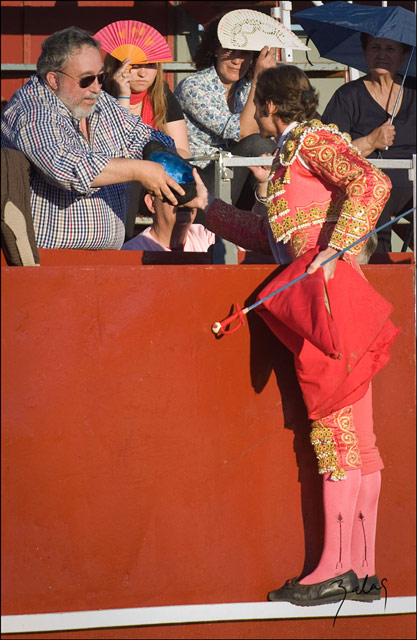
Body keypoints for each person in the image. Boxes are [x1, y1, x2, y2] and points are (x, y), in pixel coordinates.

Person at [201, 64, 398, 606]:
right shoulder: (293, 154)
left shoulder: (312, 139)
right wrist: (206, 207)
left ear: (268, 105)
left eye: (254, 105)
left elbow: (373, 180)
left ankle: (338, 567)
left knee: (338, 435)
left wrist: (337, 249)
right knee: (358, 437)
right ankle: (359, 569)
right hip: (330, 298)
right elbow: (266, 236)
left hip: (330, 300)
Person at [0, 26, 190, 251]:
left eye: (101, 77)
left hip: (105, 259)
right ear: (53, 79)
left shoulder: (100, 101)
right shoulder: (32, 109)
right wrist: (140, 169)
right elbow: (66, 166)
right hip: (47, 261)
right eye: (86, 79)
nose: (97, 87)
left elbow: (146, 136)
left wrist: (164, 160)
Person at [322, 34, 416, 252]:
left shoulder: (414, 91)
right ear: (364, 53)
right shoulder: (347, 96)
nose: (381, 55)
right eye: (375, 47)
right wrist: (371, 141)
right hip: (369, 183)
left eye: (390, 49)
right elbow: (327, 153)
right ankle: (380, 274)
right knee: (372, 199)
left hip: (414, 183)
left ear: (404, 56)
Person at [98, 21, 191, 241]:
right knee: (129, 181)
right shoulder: (101, 95)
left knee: (194, 178)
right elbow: (117, 148)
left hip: (158, 178)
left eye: (150, 65)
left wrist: (153, 166)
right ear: (118, 65)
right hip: (118, 179)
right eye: (135, 65)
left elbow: (183, 152)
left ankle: (193, 246)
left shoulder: (162, 96)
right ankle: (122, 245)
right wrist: (123, 95)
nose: (142, 73)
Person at [174, 12, 277, 207]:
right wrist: (258, 79)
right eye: (231, 51)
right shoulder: (193, 86)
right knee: (257, 142)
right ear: (215, 50)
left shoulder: (246, 88)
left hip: (240, 175)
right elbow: (242, 133)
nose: (237, 61)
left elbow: (273, 126)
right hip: (202, 178)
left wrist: (271, 80)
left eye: (245, 53)